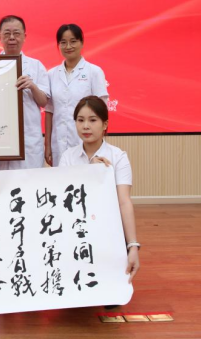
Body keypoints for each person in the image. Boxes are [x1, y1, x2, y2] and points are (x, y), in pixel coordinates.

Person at [59, 96, 140, 283]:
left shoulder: (118, 157)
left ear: (105, 124)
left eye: (93, 120)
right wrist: (91, 171)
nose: (86, 126)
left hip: (108, 230)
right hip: (76, 230)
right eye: (80, 120)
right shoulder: (68, 157)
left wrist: (133, 245)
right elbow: (65, 200)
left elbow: (124, 202)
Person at [0, 15, 50, 170]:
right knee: (1, 183)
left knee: (30, 182)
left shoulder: (36, 66)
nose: (12, 38)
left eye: (16, 33)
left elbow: (44, 102)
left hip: (28, 140)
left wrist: (33, 86)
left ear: (24, 37)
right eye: (7, 33)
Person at [45, 24, 109, 167]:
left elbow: (102, 112)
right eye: (63, 42)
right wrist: (47, 145)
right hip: (58, 144)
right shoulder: (51, 74)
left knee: (86, 178)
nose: (68, 46)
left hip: (87, 143)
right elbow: (49, 112)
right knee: (61, 179)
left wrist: (100, 146)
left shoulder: (94, 72)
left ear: (82, 42)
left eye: (73, 41)